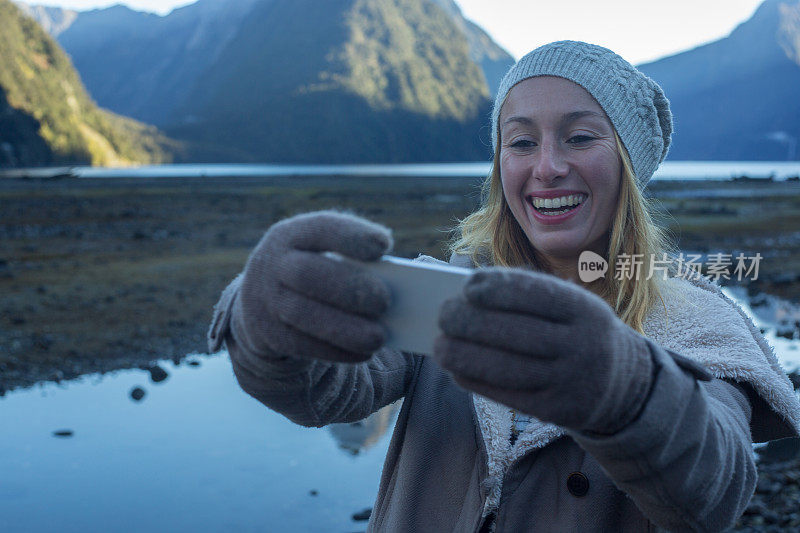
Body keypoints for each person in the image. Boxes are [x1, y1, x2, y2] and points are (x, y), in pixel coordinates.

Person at [208, 41, 800, 531]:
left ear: (629, 165)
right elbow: (325, 392)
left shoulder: (697, 320)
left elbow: (715, 489)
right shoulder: (447, 293)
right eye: (520, 141)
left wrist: (623, 385)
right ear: (499, 165)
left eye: (580, 137)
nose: (546, 167)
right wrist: (265, 324)